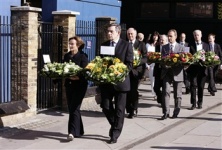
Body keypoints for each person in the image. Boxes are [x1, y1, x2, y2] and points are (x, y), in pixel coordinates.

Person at [99, 23, 133, 144]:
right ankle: (115, 125)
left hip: (121, 82)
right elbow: (100, 62)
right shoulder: (104, 45)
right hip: (107, 83)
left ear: (118, 33)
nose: (109, 33)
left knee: (119, 109)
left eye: (111, 31)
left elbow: (129, 64)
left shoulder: (126, 45)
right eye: (107, 31)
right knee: (106, 106)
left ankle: (115, 134)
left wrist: (119, 71)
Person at [64, 36, 88, 141]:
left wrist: (78, 77)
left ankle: (71, 132)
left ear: (78, 45)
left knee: (74, 108)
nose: (70, 46)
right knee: (73, 108)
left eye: (72, 44)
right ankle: (80, 130)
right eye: (69, 44)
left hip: (80, 86)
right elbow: (62, 68)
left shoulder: (83, 56)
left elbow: (86, 72)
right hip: (69, 85)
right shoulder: (66, 56)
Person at [160, 29, 185, 120]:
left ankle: (176, 112)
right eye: (168, 36)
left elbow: (185, 61)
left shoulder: (181, 47)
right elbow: (162, 60)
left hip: (177, 73)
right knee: (166, 92)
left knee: (177, 95)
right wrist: (165, 64)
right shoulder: (164, 47)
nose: (169, 38)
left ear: (175, 36)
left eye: (171, 36)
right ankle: (166, 112)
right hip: (167, 72)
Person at [126, 28, 147, 119]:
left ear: (135, 34)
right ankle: (128, 108)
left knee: (133, 90)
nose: (130, 36)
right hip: (126, 71)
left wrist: (137, 61)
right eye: (128, 34)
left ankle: (134, 109)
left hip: (136, 71)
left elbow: (145, 57)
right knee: (126, 90)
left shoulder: (141, 44)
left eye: (132, 34)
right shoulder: (124, 44)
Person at [187, 29, 209, 110]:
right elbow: (188, 56)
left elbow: (209, 56)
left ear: (201, 35)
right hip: (193, 68)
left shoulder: (206, 45)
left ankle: (200, 102)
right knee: (193, 85)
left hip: (203, 69)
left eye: (198, 35)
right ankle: (193, 103)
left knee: (200, 86)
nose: (196, 36)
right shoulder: (191, 45)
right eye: (195, 35)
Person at [153, 34, 168, 104]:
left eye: (163, 40)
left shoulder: (168, 47)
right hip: (157, 70)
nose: (161, 41)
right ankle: (160, 97)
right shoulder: (157, 47)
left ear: (166, 41)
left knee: (165, 88)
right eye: (160, 40)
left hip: (165, 71)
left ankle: (163, 102)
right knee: (155, 88)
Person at [146, 31, 160, 99]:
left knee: (156, 79)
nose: (155, 37)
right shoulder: (148, 44)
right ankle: (154, 93)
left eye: (156, 36)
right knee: (152, 79)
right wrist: (147, 65)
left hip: (156, 63)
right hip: (150, 64)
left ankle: (155, 93)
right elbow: (145, 55)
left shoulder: (158, 45)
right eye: (154, 36)